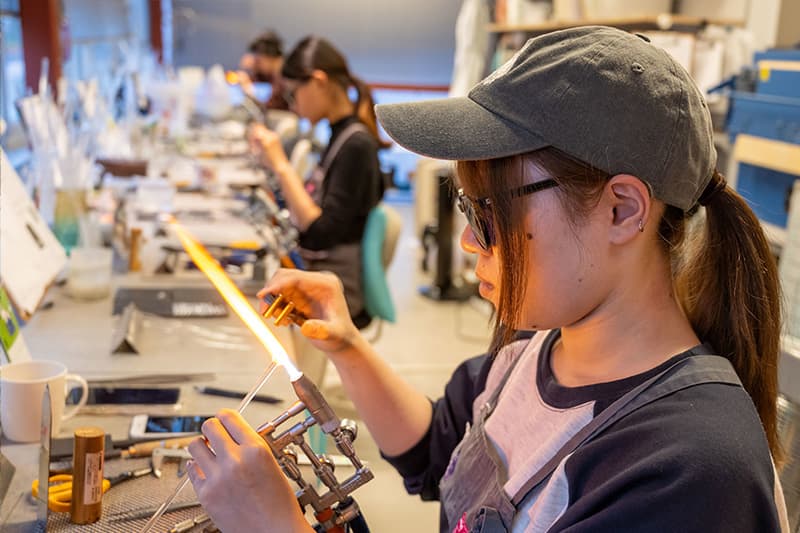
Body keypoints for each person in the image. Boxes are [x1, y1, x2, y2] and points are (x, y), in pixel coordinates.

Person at [187, 26, 789, 532]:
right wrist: (346, 345)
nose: (470, 240)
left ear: (622, 209)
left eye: (489, 212)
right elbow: (436, 451)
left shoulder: (690, 472)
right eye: (466, 208)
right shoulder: (535, 352)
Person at [248, 36, 386, 329]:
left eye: (293, 94)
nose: (293, 106)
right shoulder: (339, 136)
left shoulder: (356, 145)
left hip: (338, 287)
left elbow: (321, 233)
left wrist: (281, 165)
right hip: (322, 272)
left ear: (319, 81)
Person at [238, 31, 290, 111]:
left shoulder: (285, 78)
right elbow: (257, 79)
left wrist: (248, 89)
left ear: (270, 57)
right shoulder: (268, 73)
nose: (256, 63)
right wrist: (247, 71)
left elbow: (269, 107)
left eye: (258, 60)